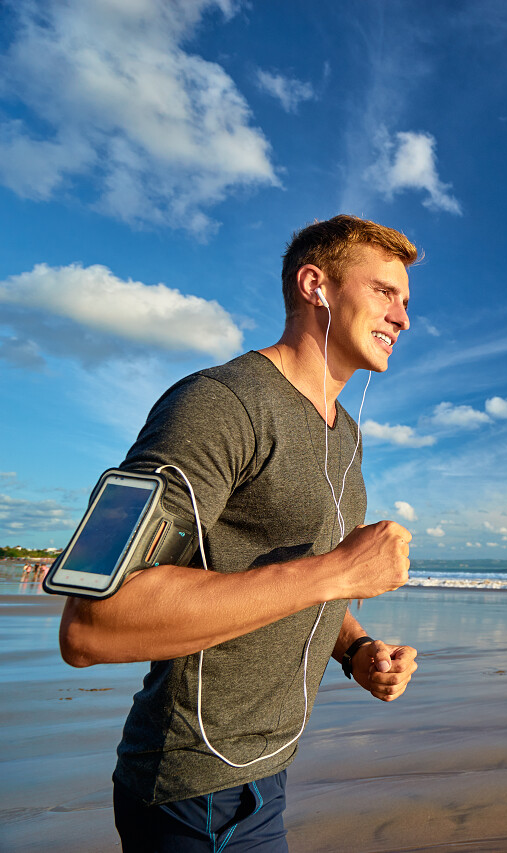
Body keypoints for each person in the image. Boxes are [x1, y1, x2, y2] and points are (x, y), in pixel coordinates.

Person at [57, 215, 422, 851]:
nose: (403, 319)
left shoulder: (346, 435)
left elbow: (284, 574)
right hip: (191, 791)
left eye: (407, 302)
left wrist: (358, 650)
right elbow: (92, 621)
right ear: (316, 286)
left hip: (268, 773)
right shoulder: (218, 404)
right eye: (385, 292)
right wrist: (339, 571)